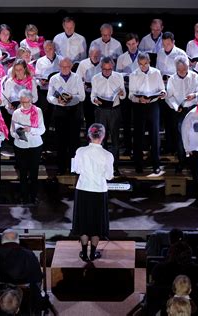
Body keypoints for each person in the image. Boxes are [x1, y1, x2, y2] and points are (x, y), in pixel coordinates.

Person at [71, 123, 114, 261]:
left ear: (89, 135)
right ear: (102, 136)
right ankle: (93, 252)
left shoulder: (80, 151)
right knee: (96, 223)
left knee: (83, 222)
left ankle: (84, 252)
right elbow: (109, 176)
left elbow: (76, 170)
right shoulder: (107, 155)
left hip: (83, 188)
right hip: (99, 190)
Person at [129, 52, 166, 175]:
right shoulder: (134, 74)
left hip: (153, 105)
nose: (143, 66)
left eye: (145, 64)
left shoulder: (156, 72)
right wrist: (139, 99)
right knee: (138, 136)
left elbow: (162, 89)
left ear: (149, 62)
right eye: (141, 64)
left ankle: (156, 164)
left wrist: (162, 93)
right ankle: (138, 165)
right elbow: (130, 94)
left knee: (155, 135)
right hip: (139, 106)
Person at [47, 57, 85, 174]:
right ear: (59, 67)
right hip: (60, 112)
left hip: (74, 112)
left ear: (71, 67)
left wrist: (71, 98)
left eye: (67, 66)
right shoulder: (54, 79)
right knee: (61, 141)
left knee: (74, 141)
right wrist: (58, 101)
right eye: (63, 66)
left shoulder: (77, 78)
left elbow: (82, 96)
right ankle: (61, 168)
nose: (65, 69)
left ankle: (74, 168)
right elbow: (49, 97)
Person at [165, 56, 198, 172]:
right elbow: (169, 96)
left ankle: (193, 162)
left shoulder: (194, 76)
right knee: (181, 137)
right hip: (179, 110)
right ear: (176, 69)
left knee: (193, 135)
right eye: (180, 70)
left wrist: (194, 95)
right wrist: (176, 106)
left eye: (185, 69)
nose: (182, 72)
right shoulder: (172, 79)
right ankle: (181, 161)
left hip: (192, 109)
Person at [91, 57, 126, 175]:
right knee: (101, 139)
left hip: (114, 110)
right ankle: (102, 166)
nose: (107, 71)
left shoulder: (118, 77)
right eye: (104, 69)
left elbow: (123, 96)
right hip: (101, 110)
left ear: (113, 68)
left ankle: (115, 167)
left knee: (115, 139)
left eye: (109, 69)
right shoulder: (95, 78)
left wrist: (121, 94)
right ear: (101, 68)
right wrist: (95, 100)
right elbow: (92, 95)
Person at [11, 89, 45, 204]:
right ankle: (24, 195)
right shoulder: (16, 112)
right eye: (22, 102)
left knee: (34, 172)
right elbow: (12, 131)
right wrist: (18, 134)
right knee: (23, 172)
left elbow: (42, 129)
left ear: (31, 100)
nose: (24, 105)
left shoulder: (38, 111)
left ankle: (33, 195)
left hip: (35, 145)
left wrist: (30, 129)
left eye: (26, 102)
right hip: (21, 146)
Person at [156, 31, 187, 155]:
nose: (166, 46)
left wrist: (172, 77)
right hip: (164, 90)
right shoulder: (160, 53)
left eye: (168, 44)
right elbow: (158, 69)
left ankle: (178, 148)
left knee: (176, 122)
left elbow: (185, 72)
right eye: (164, 44)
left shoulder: (181, 53)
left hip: (177, 91)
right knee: (166, 120)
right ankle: (168, 146)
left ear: (173, 42)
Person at [116, 33, 141, 154]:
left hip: (138, 92)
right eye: (129, 44)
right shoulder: (121, 58)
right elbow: (118, 75)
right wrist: (127, 76)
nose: (131, 46)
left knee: (137, 122)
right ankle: (127, 147)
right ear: (126, 45)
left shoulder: (143, 56)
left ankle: (138, 148)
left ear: (137, 43)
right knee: (125, 122)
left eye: (133, 43)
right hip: (126, 92)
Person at [34, 40, 62, 144]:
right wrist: (41, 82)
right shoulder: (40, 61)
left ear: (54, 48)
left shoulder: (61, 59)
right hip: (44, 92)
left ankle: (58, 142)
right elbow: (36, 78)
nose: (48, 51)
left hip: (57, 93)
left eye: (50, 48)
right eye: (46, 49)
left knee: (58, 118)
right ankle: (44, 142)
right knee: (45, 117)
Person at [76, 46, 102, 130]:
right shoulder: (83, 64)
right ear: (89, 54)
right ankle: (89, 137)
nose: (95, 57)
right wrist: (85, 84)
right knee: (89, 117)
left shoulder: (104, 63)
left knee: (100, 118)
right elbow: (78, 80)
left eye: (97, 55)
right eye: (93, 55)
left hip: (100, 95)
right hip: (87, 94)